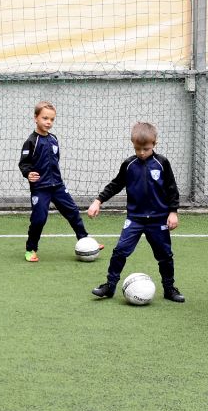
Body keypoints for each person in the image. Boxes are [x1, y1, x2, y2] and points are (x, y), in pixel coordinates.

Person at [87, 122, 184, 302]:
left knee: (165, 255)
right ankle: (110, 286)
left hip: (158, 219)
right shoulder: (129, 164)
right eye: (137, 149)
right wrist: (98, 201)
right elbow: (116, 184)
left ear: (154, 143)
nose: (141, 152)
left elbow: (172, 189)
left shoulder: (162, 163)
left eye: (146, 149)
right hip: (135, 218)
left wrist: (173, 212)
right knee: (120, 251)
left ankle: (169, 288)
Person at [17, 101, 97, 262]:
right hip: (40, 188)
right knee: (39, 219)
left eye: (52, 119)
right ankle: (31, 249)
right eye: (45, 118)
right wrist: (28, 173)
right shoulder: (31, 141)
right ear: (36, 118)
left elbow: (55, 160)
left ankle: (84, 240)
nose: (48, 122)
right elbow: (24, 163)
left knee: (72, 211)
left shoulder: (53, 139)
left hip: (58, 186)